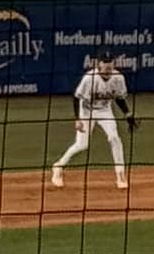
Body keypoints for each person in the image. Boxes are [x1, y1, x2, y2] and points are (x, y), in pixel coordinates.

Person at [49, 52, 136, 189]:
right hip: (86, 111)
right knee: (81, 145)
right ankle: (58, 167)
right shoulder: (89, 78)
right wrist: (77, 119)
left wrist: (127, 113)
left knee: (114, 138)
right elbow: (77, 97)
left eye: (110, 67)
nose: (108, 70)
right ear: (99, 66)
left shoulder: (118, 78)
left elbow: (119, 97)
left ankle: (120, 175)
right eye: (105, 67)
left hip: (105, 111)